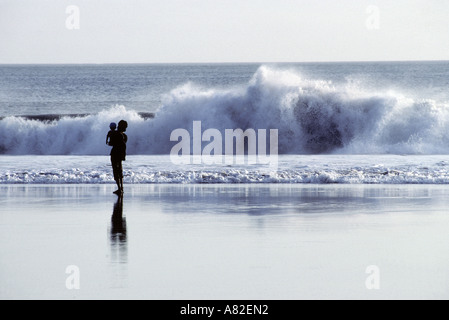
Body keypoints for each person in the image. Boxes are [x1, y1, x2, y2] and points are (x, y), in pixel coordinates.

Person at [109, 120, 128, 195]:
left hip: (114, 154)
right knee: (120, 170)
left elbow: (111, 143)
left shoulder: (115, 134)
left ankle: (119, 188)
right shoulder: (124, 136)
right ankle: (121, 188)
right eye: (125, 127)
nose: (126, 128)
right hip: (120, 154)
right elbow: (123, 144)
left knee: (116, 171)